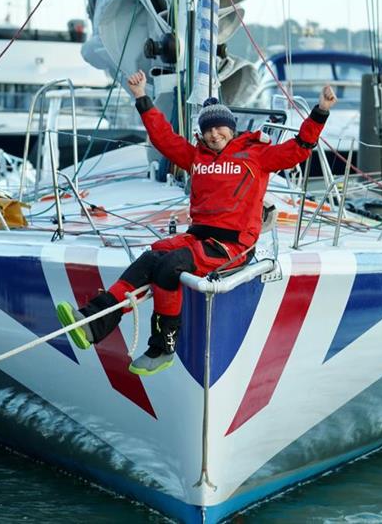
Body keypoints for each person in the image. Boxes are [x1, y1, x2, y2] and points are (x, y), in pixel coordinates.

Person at [57, 70, 336, 376]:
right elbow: (163, 138)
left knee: (171, 266)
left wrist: (320, 111)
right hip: (198, 237)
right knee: (151, 258)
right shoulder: (196, 156)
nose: (214, 135)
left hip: (233, 246)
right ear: (201, 134)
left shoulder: (257, 155)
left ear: (231, 129)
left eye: (220, 129)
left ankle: (163, 347)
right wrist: (141, 97)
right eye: (208, 130)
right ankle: (92, 324)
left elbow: (298, 148)